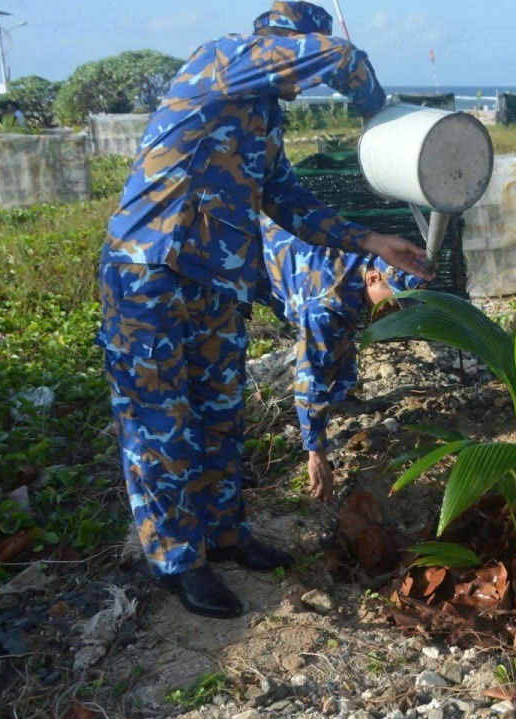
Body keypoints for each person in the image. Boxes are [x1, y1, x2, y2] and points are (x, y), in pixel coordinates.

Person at [97, 1, 431, 619]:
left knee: (221, 414)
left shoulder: (263, 120)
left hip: (217, 283)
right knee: (160, 424)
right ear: (279, 43)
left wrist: (371, 241)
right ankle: (177, 561)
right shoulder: (220, 61)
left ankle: (226, 535)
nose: (299, 80)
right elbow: (338, 58)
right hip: (151, 272)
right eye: (294, 58)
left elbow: (287, 199)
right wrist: (378, 109)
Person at [260, 218, 424, 503]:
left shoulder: (358, 262)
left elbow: (342, 338)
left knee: (340, 334)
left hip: (274, 239)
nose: (396, 314)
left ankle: (342, 397)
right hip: (239, 255)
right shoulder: (327, 305)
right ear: (374, 279)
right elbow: (309, 375)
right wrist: (316, 453)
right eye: (396, 304)